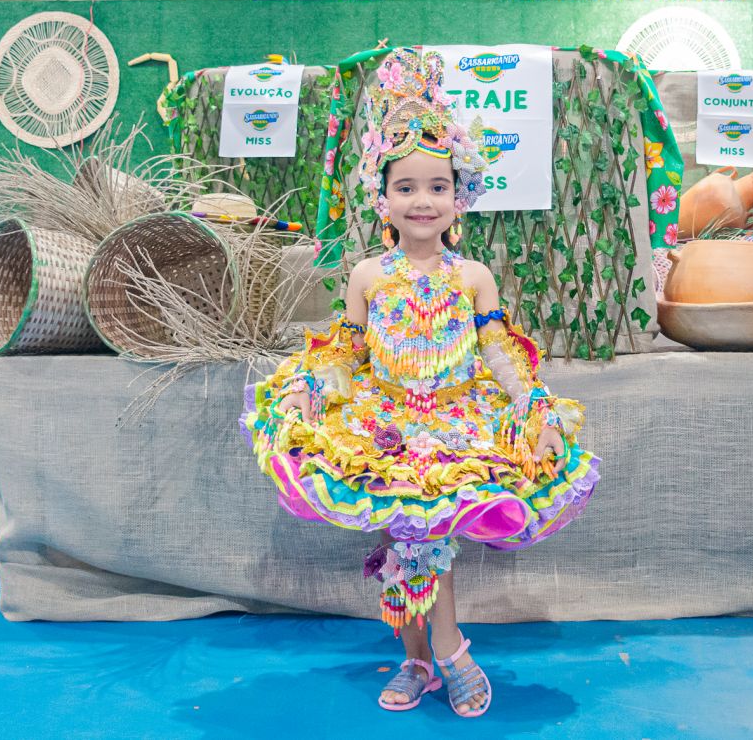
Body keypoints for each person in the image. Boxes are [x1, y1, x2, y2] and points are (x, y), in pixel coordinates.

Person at [244, 48, 598, 718]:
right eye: (405, 187)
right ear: (383, 199)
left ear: (459, 196)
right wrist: (309, 389)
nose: (422, 200)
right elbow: (346, 350)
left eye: (437, 186)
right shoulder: (367, 276)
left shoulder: (473, 277)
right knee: (399, 544)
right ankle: (423, 659)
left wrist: (535, 408)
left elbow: (499, 352)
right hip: (383, 428)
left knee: (428, 544)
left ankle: (447, 652)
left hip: (457, 427)